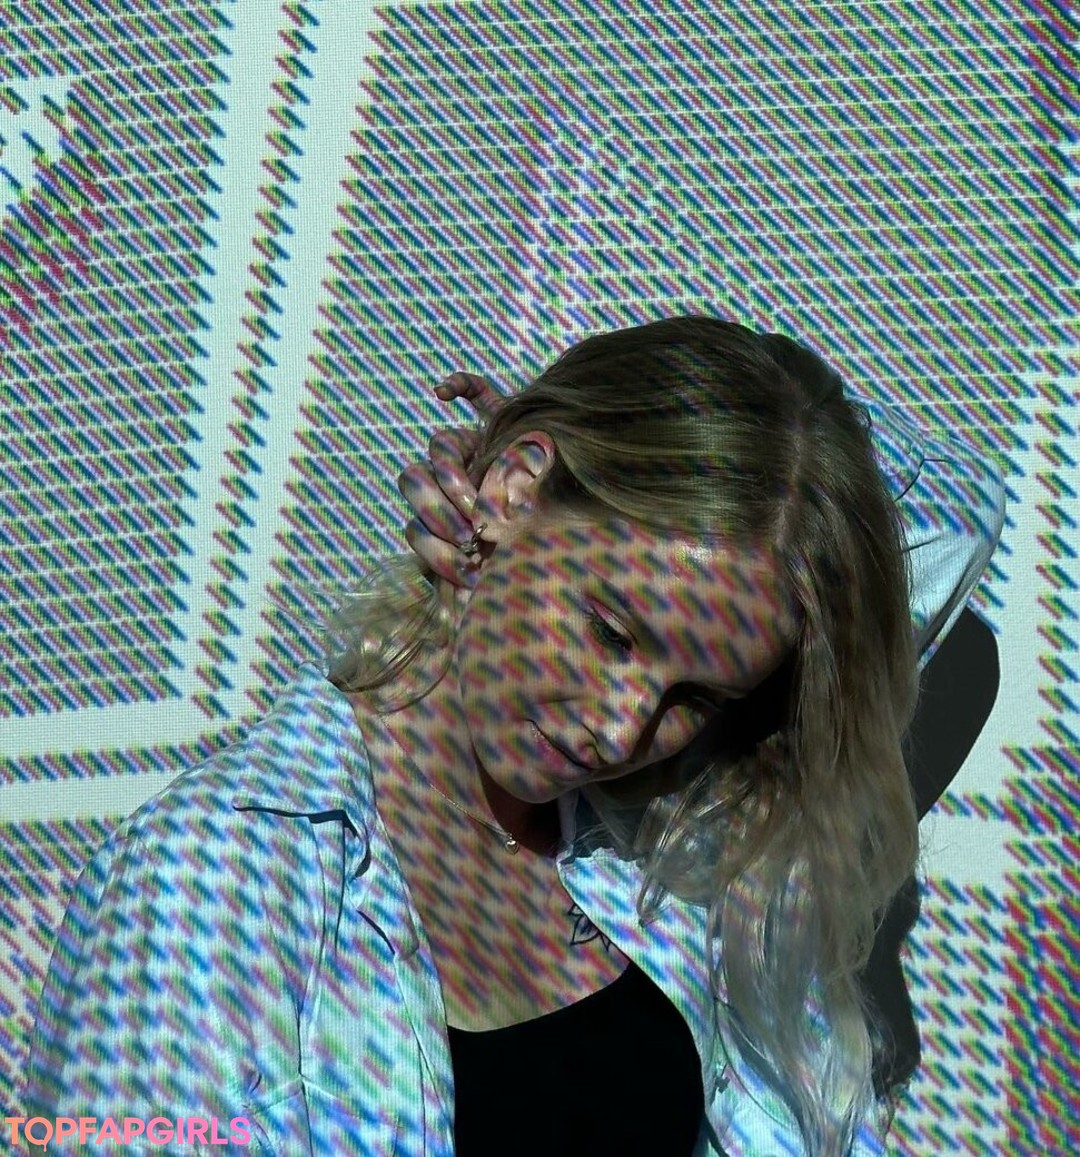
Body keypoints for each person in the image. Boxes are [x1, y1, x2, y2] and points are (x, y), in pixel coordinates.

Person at [21, 316, 1005, 1157]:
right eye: (612, 632)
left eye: (697, 694)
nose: (622, 728)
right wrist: (524, 476)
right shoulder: (210, 879)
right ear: (509, 493)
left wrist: (557, 478)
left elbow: (953, 516)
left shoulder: (655, 848)